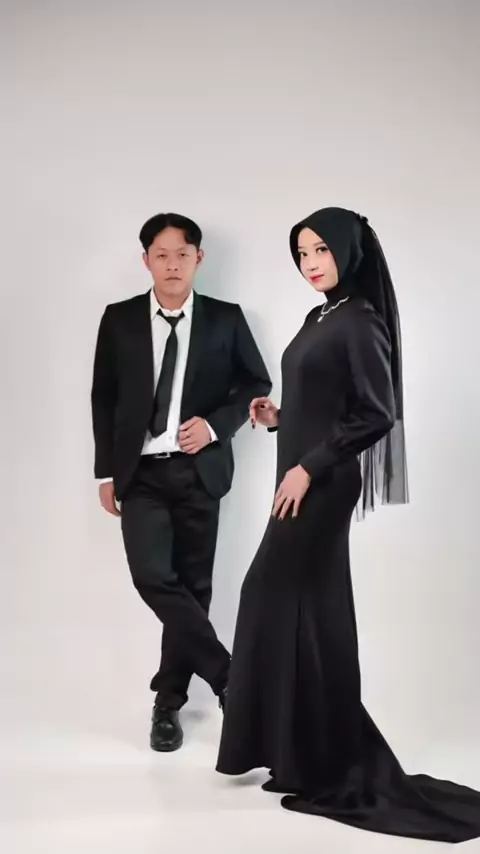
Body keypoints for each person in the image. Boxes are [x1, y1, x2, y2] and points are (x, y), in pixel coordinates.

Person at [216, 207, 480, 843]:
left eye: (321, 250)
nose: (310, 263)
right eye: (302, 253)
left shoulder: (359, 318)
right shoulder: (321, 316)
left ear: (349, 251)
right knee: (301, 614)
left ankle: (332, 758)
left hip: (322, 488)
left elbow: (376, 412)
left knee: (278, 600)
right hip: (304, 481)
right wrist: (279, 418)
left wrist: (308, 467)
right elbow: (325, 403)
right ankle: (304, 754)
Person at [91, 212, 271, 753]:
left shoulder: (225, 319)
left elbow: (256, 382)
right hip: (141, 473)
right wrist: (106, 471)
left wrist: (215, 426)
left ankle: (167, 702)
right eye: (162, 255)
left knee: (194, 590)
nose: (172, 265)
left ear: (199, 258)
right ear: (146, 260)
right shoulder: (119, 319)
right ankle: (229, 677)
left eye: (182, 254)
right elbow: (104, 396)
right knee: (152, 577)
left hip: (199, 472)